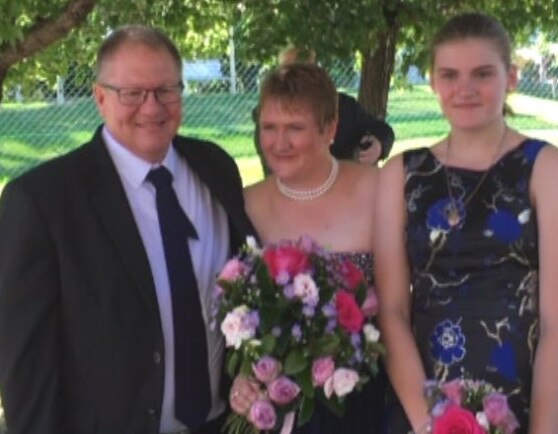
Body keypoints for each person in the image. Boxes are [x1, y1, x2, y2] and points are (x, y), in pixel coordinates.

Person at [0, 25, 255, 434]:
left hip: (219, 424)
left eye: (165, 90)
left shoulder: (216, 168)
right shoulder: (43, 201)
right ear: (100, 98)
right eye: (132, 93)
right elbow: (26, 368)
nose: (151, 108)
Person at [374, 12, 558, 433]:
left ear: (512, 77)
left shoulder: (550, 169)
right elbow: (392, 312)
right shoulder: (401, 174)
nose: (464, 89)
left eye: (482, 73)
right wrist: (432, 423)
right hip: (426, 400)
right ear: (433, 82)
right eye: (449, 75)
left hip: (534, 402)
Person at [230, 63, 388, 433]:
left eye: (295, 128)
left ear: (330, 129)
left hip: (365, 398)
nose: (278, 143)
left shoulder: (377, 189)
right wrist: (241, 378)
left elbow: (398, 306)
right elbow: (238, 312)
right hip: (278, 408)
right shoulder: (245, 204)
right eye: (269, 128)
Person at [253, 47, 395, 176]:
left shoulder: (343, 107)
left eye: (302, 73)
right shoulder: (269, 112)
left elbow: (383, 130)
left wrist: (378, 144)